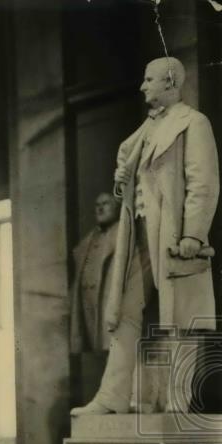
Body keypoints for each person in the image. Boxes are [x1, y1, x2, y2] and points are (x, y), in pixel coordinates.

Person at [72, 56, 219, 415]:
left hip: (171, 237)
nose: (142, 87)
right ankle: (111, 398)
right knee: (122, 312)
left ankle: (178, 397)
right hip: (138, 234)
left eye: (149, 80)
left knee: (179, 315)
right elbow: (135, 181)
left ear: (170, 83)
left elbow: (204, 183)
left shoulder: (193, 123)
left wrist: (194, 235)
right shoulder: (145, 130)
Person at [70, 193, 121, 355]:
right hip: (89, 308)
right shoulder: (87, 242)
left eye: (105, 203)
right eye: (97, 205)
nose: (100, 208)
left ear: (116, 208)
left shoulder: (124, 235)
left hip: (113, 308)